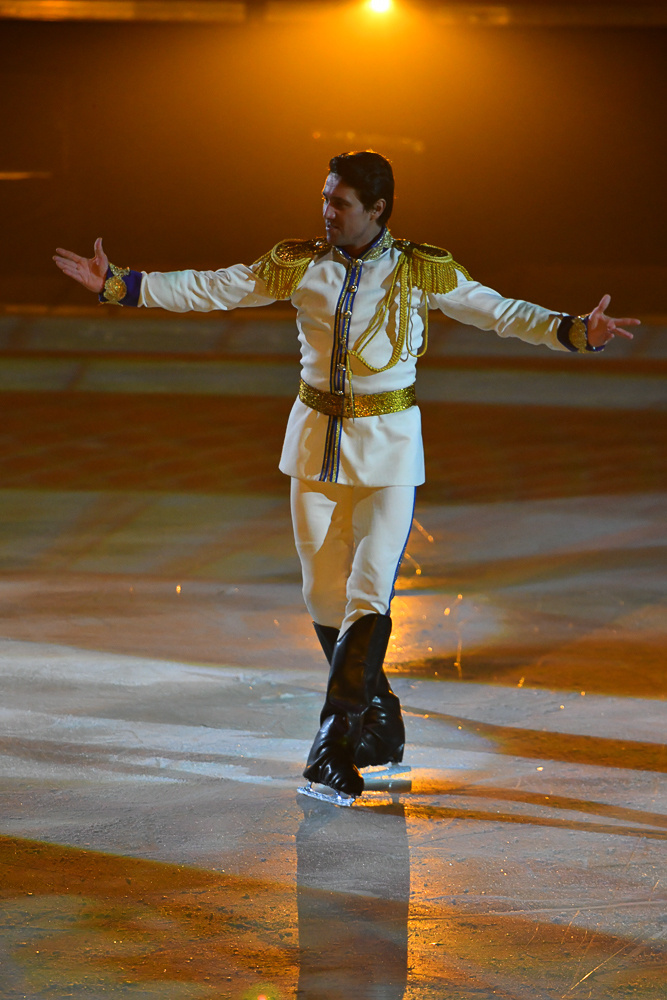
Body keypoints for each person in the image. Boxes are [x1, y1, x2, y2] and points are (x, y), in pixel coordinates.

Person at [54, 150, 639, 805]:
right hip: (312, 453)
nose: (326, 212)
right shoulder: (297, 263)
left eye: (339, 203)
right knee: (323, 600)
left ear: (377, 209)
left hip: (388, 457)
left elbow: (497, 311)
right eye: (324, 198)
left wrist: (573, 331)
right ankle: (381, 722)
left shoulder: (422, 270)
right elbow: (215, 286)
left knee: (366, 595)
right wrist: (122, 285)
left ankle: (331, 753)